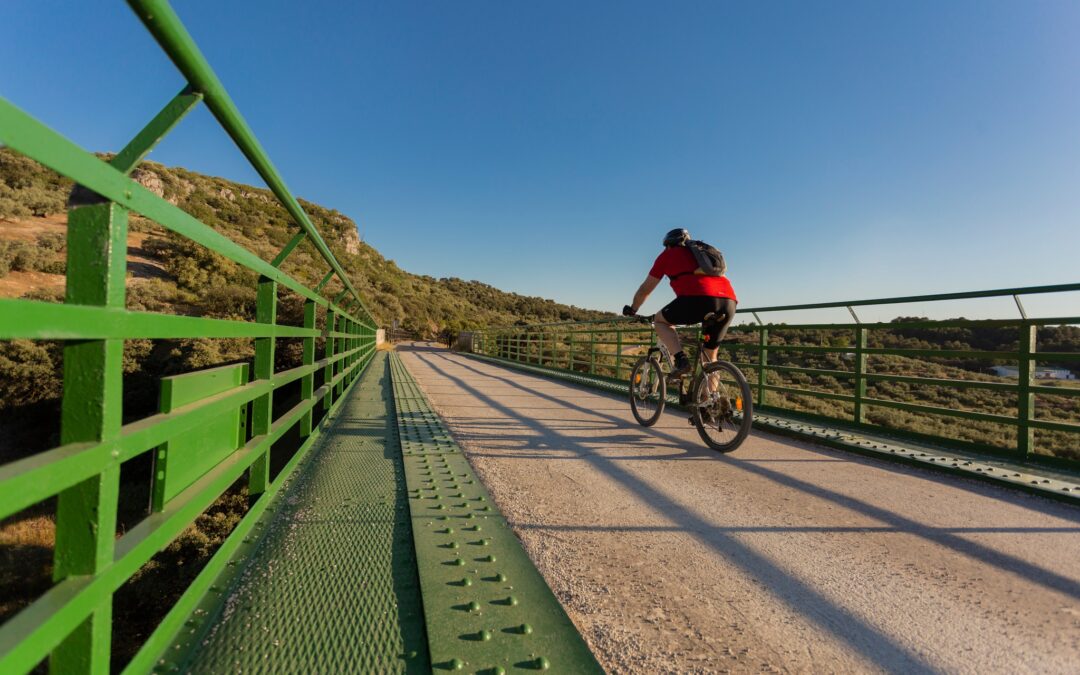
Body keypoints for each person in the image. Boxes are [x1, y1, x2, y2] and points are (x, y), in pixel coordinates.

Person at [622, 228, 737, 376]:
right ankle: (710, 397)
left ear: (668, 245)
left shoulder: (668, 255)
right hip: (729, 302)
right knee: (710, 356)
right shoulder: (701, 255)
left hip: (698, 299)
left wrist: (633, 309)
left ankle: (681, 360)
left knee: (660, 321)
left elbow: (645, 289)